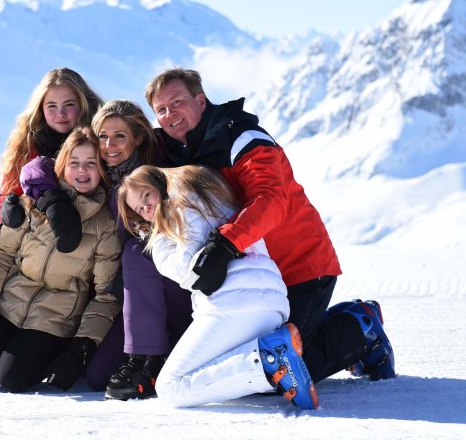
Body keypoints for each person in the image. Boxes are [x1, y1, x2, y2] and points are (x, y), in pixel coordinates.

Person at [143, 67, 395, 384]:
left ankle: (361, 329)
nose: (170, 114)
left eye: (177, 101)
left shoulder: (243, 137)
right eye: (161, 110)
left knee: (283, 370)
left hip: (300, 268)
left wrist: (223, 246)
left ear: (201, 100)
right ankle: (332, 326)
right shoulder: (174, 152)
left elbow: (271, 200)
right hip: (250, 279)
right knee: (245, 365)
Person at [116, 164, 318, 409]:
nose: (146, 208)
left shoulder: (180, 203)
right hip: (268, 305)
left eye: (146, 196)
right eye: (140, 210)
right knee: (212, 374)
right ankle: (269, 359)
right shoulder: (208, 196)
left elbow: (186, 272)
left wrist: (157, 238)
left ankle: (267, 360)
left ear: (159, 183)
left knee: (169, 388)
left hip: (233, 306)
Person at [0, 127, 122, 393]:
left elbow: (106, 295)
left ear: (101, 169)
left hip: (55, 316)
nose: (82, 170)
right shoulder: (33, 202)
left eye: (91, 163)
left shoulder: (105, 224)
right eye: (74, 162)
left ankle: (48, 351)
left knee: (13, 379)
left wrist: (81, 346)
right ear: (62, 165)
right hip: (9, 304)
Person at [90, 100, 194, 400]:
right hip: (138, 297)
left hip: (179, 288)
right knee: (98, 376)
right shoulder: (103, 179)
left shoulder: (159, 175)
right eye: (103, 136)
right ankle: (166, 350)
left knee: (139, 250)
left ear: (138, 138)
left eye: (120, 136)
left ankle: (149, 358)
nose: (109, 145)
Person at [0, 67, 104, 253]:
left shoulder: (99, 139)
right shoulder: (26, 145)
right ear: (41, 108)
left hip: (92, 241)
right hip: (37, 246)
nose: (60, 113)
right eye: (51, 106)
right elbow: (5, 197)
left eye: (69, 104)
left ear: (83, 104)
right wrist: (7, 211)